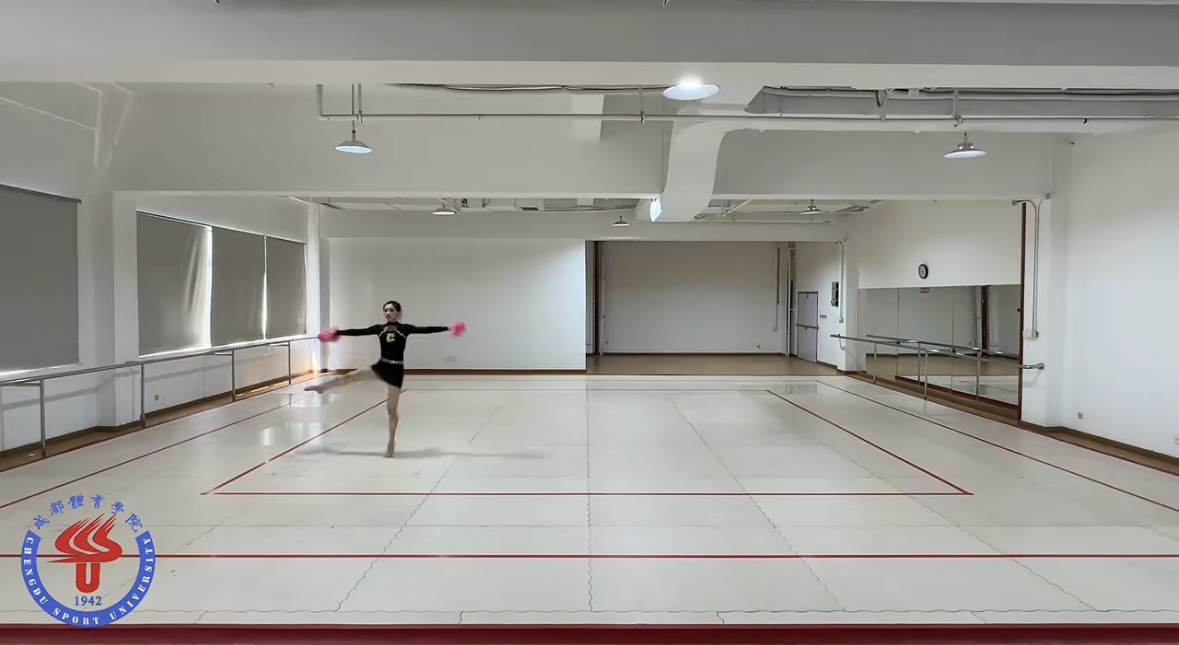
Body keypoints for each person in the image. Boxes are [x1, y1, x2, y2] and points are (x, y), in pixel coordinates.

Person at [308, 300, 464, 458]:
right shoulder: (379, 328)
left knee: (391, 409)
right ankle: (323, 387)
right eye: (385, 310)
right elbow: (358, 332)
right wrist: (338, 333)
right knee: (351, 376)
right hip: (381, 366)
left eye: (391, 310)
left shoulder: (405, 329)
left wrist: (446, 328)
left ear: (398, 312)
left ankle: (391, 444)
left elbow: (426, 330)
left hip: (395, 371)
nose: (388, 313)